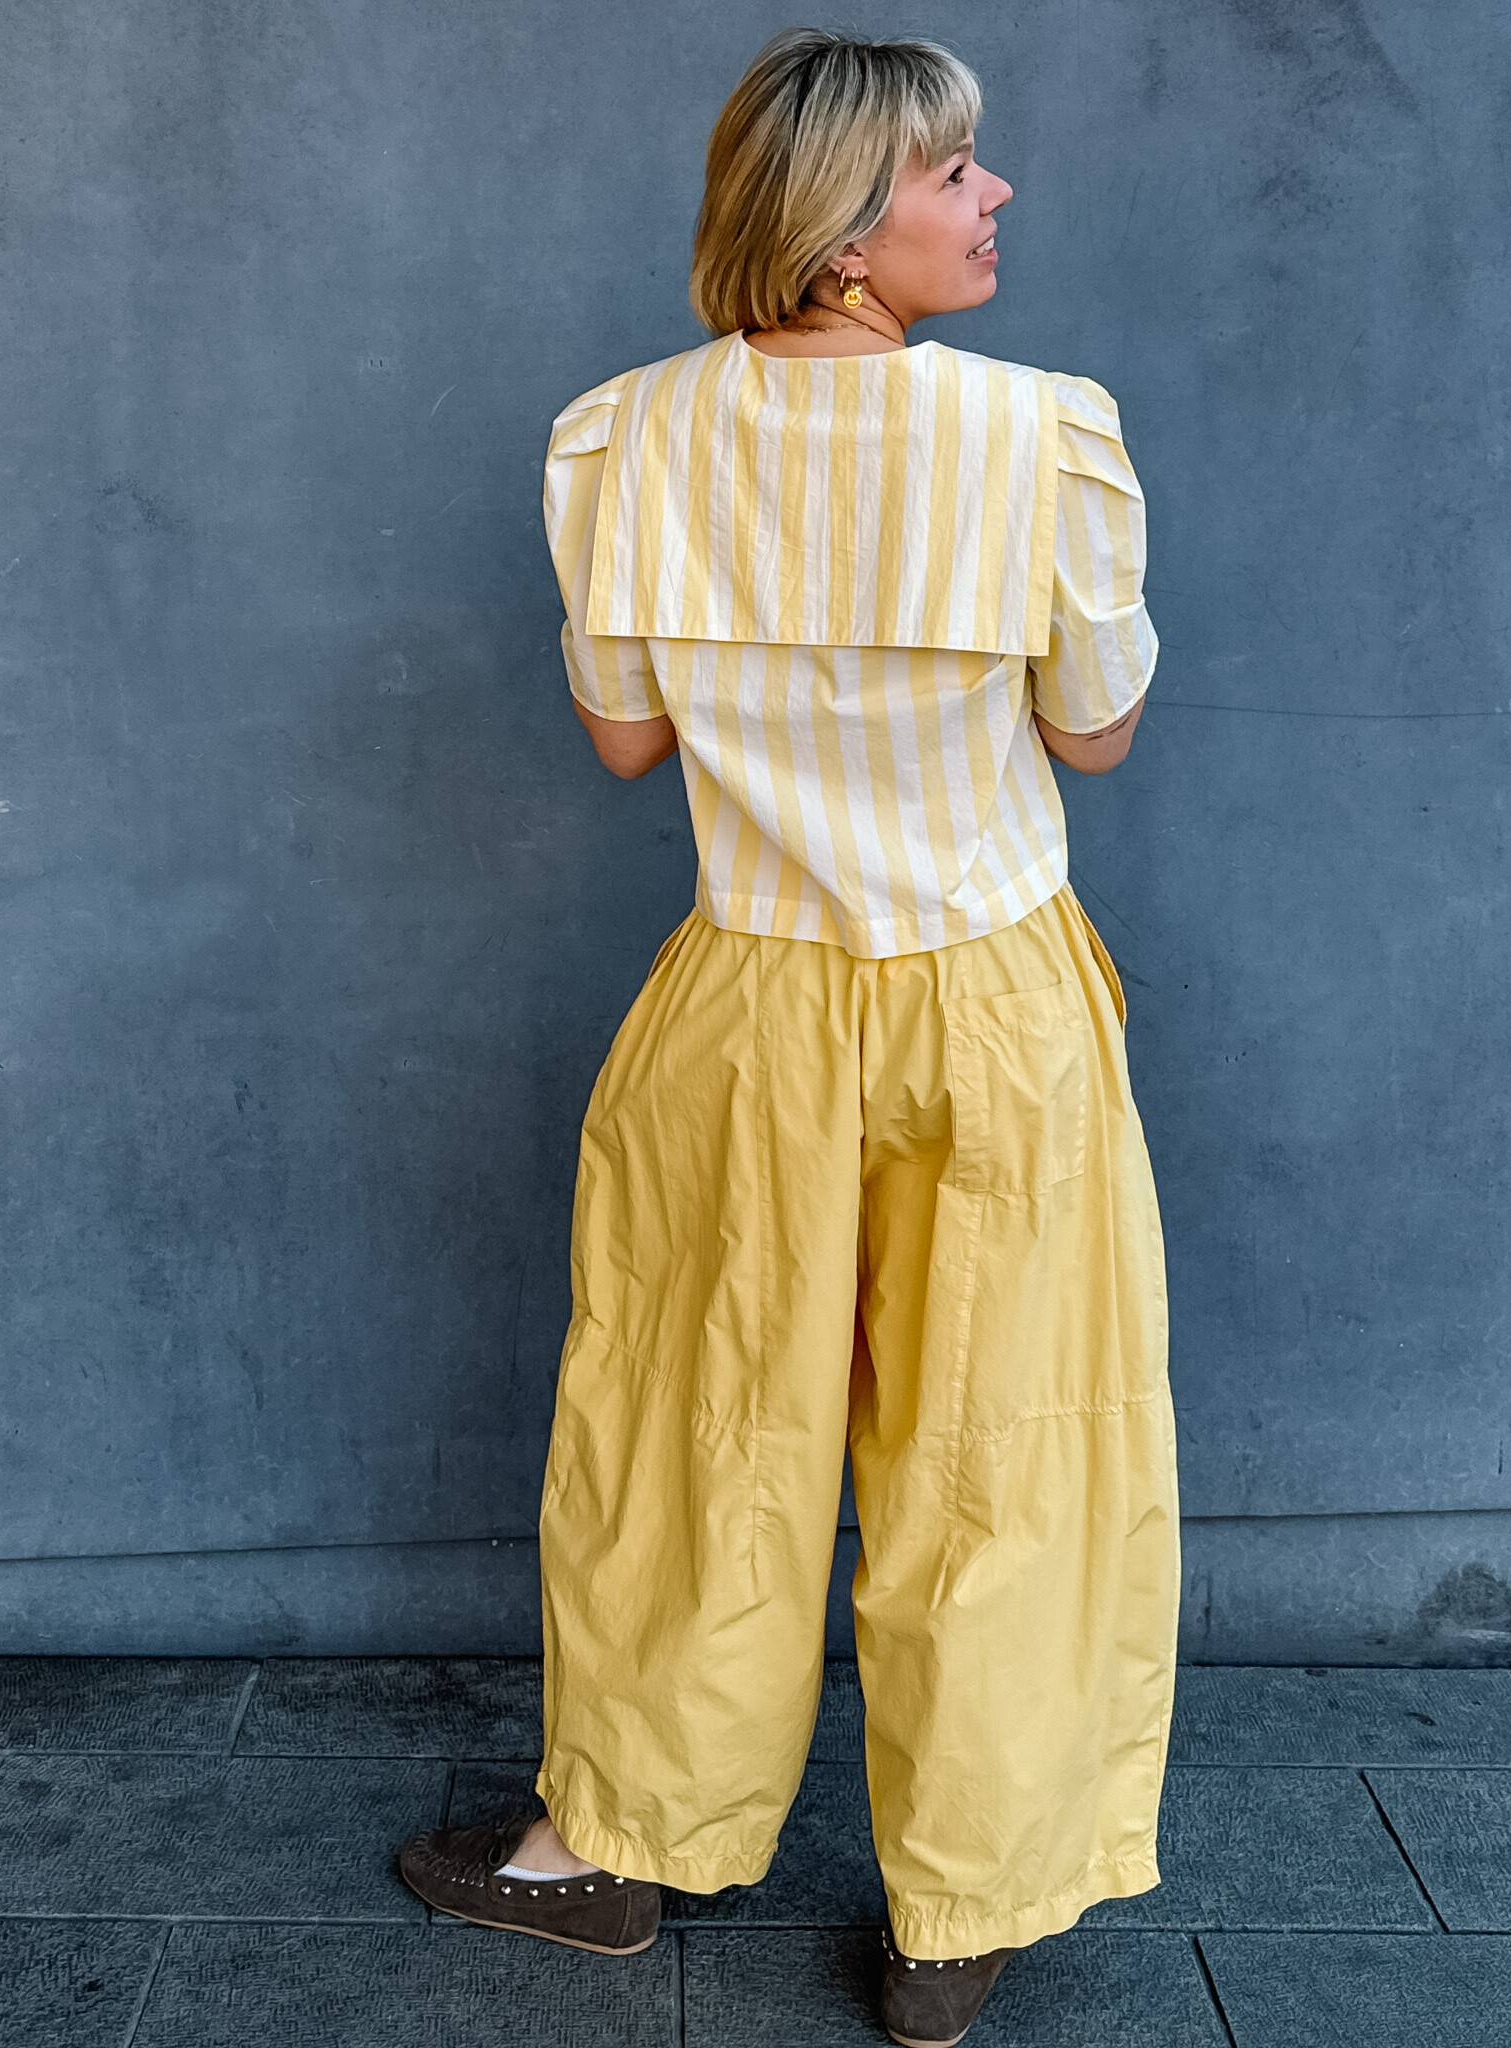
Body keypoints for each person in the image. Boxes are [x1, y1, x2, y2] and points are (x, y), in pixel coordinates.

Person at [399, 28, 1179, 2046]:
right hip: (992, 991)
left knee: (688, 1427)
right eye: (952, 170)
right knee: (1007, 1444)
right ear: (839, 233)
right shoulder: (1046, 437)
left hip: (745, 996)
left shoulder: (619, 438)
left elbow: (624, 742)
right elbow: (1094, 733)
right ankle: (959, 1914)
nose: (992, 195)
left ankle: (607, 1848)